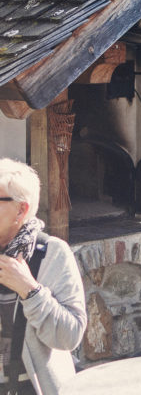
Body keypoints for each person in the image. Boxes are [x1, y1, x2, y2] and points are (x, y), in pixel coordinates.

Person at [0, 158, 86, 395]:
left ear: (21, 209)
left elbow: (70, 336)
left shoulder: (51, 254)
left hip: (33, 387)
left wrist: (30, 290)